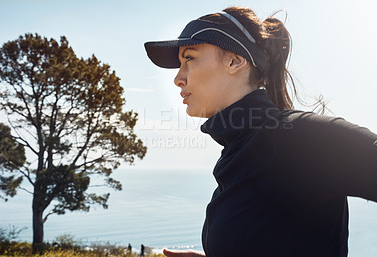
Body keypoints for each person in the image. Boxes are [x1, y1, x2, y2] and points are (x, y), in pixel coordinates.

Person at [144, 6, 377, 257]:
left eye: (189, 58)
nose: (178, 78)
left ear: (235, 61)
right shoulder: (236, 155)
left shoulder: (298, 139)